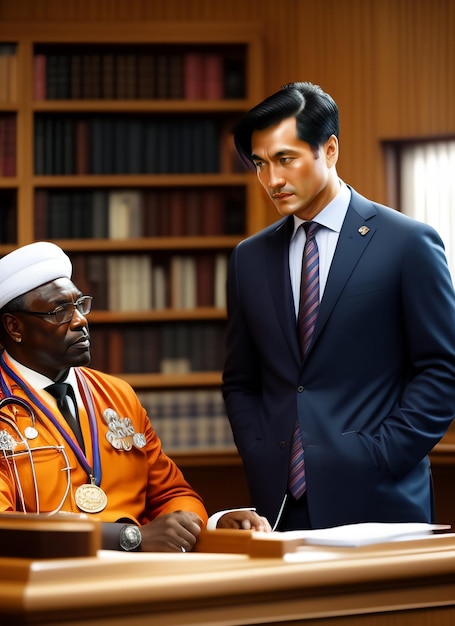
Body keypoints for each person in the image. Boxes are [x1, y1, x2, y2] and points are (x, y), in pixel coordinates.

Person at [222, 81, 455, 531]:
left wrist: (381, 454)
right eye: (260, 164)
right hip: (280, 505)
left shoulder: (407, 243)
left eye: (285, 159)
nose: (272, 180)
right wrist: (258, 449)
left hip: (381, 499)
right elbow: (240, 379)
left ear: (329, 150)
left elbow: (442, 368)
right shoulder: (248, 258)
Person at [0, 241, 270, 553]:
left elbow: (172, 494)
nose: (80, 321)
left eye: (80, 305)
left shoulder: (117, 394)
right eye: (60, 311)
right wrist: (130, 539)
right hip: (54, 577)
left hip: (140, 576)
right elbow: (7, 528)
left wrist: (209, 525)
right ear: (14, 326)